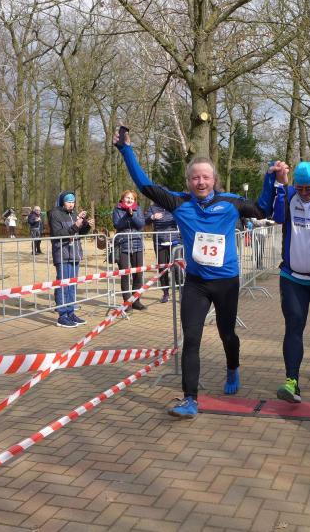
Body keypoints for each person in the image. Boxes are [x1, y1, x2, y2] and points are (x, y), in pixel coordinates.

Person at [114, 126, 275, 419]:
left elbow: (263, 210)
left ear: (214, 180)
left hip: (226, 282)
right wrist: (126, 150)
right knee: (191, 339)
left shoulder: (230, 202)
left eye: (205, 177)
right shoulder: (179, 202)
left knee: (227, 334)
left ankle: (232, 367)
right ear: (188, 181)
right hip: (196, 283)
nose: (200, 182)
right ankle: (190, 399)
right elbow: (144, 185)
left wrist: (270, 178)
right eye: (195, 178)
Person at [258, 158, 310, 404]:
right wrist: (275, 179)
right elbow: (273, 214)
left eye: (309, 188)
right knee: (294, 326)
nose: (305, 193)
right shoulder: (288, 194)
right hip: (292, 278)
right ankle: (291, 381)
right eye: (300, 188)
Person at [48, 191, 91, 327]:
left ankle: (71, 312)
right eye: (68, 202)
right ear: (62, 202)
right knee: (64, 285)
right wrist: (75, 226)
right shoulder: (55, 214)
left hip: (75, 254)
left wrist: (86, 225)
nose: (71, 204)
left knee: (72, 285)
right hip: (62, 254)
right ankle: (62, 316)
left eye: (73, 202)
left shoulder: (74, 214)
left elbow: (79, 232)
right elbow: (57, 234)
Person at [112, 190, 147, 311]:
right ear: (122, 199)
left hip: (137, 244)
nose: (130, 200)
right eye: (127, 198)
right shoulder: (117, 209)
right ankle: (127, 302)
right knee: (125, 275)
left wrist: (132, 215)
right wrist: (127, 215)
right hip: (123, 245)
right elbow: (117, 225)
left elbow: (141, 224)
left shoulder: (138, 209)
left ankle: (136, 300)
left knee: (138, 274)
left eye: (132, 198)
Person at [146, 202, 179, 303]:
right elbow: (144, 221)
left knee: (177, 267)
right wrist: (152, 217)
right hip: (159, 242)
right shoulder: (152, 207)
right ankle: (165, 293)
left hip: (174, 241)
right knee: (162, 268)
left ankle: (182, 291)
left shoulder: (173, 205)